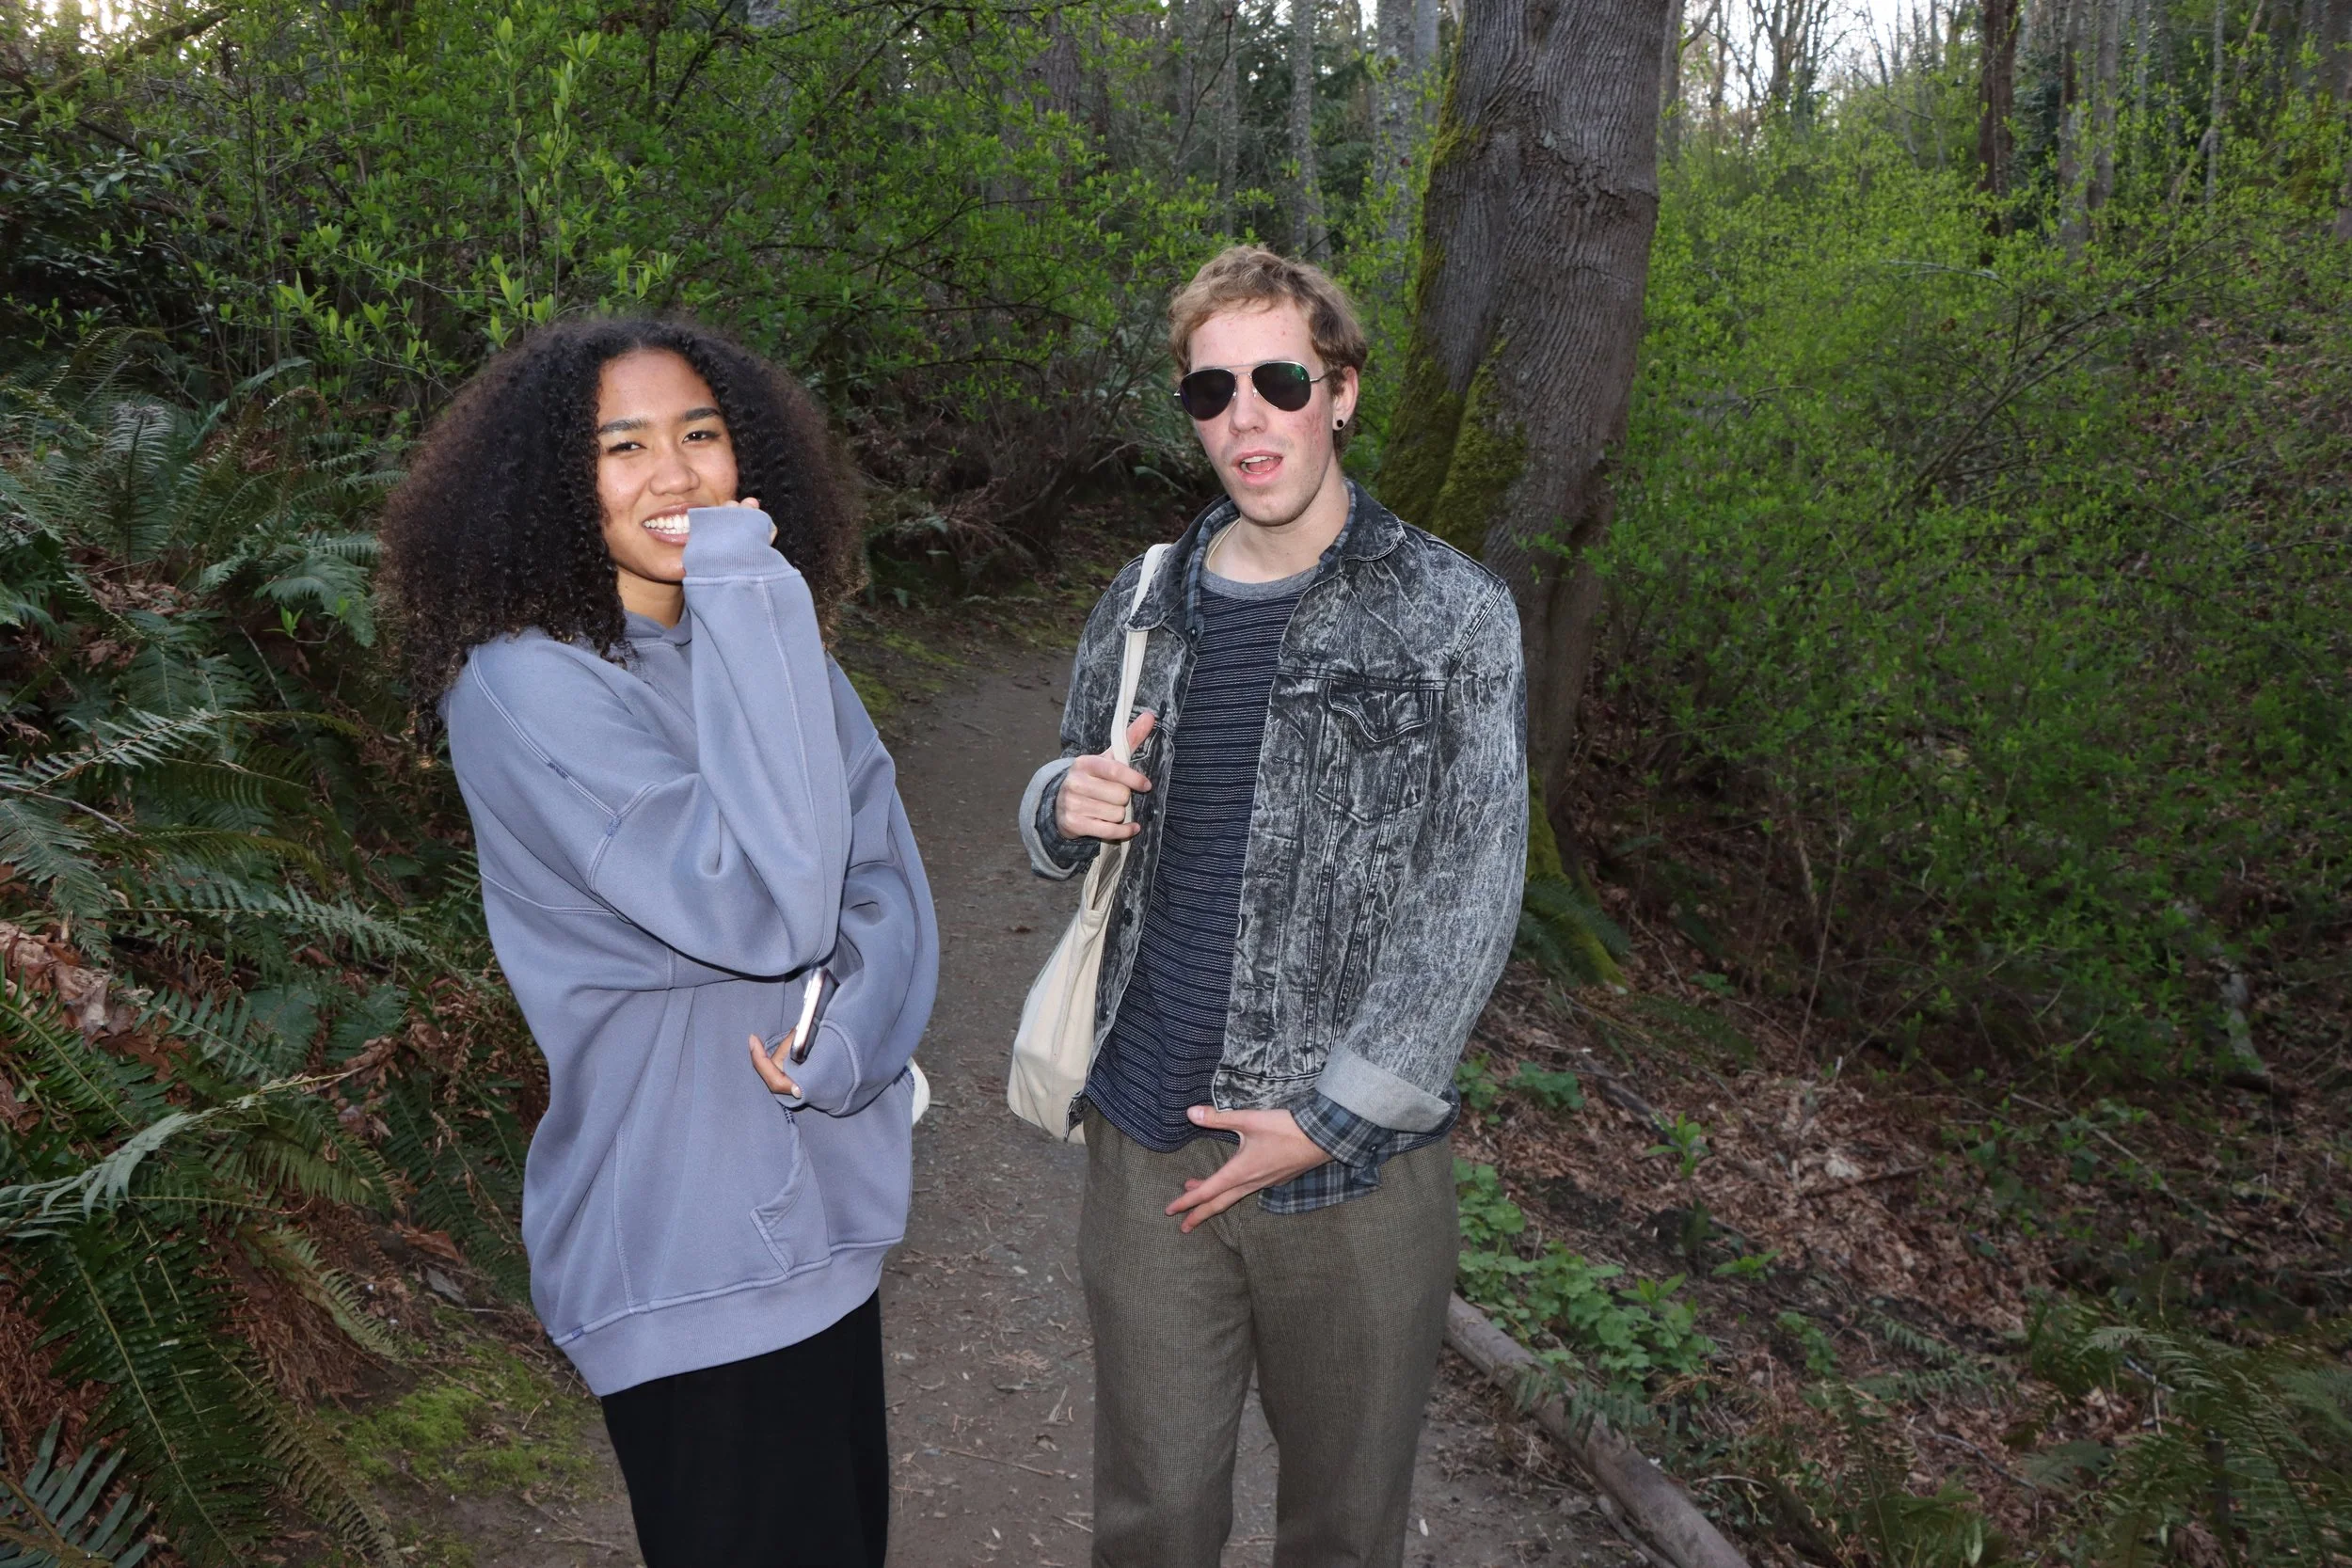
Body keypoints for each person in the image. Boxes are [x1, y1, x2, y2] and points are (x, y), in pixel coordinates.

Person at [379, 317, 936, 1568]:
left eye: (699, 433)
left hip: (826, 1222)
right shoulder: (526, 689)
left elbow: (885, 884)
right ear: (554, 488)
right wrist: (746, 582)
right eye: (621, 446)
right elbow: (769, 900)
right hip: (686, 1250)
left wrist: (842, 1042)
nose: (673, 473)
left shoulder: (773, 652)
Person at [1016, 245, 1528, 1566]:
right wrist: (1054, 806)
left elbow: (1474, 887)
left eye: (1279, 379)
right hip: (1148, 1152)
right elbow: (1071, 785)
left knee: (1345, 1527)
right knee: (1155, 1515)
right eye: (1211, 390)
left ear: (1340, 391)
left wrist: (1334, 1113)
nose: (1245, 417)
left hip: (1356, 1174)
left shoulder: (1450, 611)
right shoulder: (1140, 600)